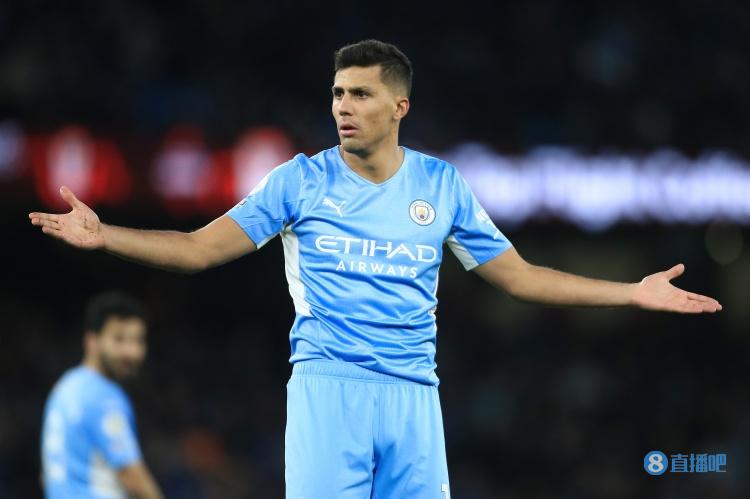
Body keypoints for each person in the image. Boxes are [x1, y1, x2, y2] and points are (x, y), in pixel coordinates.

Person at [30, 39, 721, 498]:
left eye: (360, 94)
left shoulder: (441, 185)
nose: (342, 107)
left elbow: (520, 277)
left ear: (399, 107)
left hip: (416, 397)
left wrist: (632, 292)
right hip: (329, 391)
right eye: (337, 93)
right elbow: (197, 249)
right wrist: (105, 235)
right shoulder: (299, 182)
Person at [40, 291, 163, 499]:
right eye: (119, 339)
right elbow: (132, 477)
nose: (131, 352)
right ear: (91, 341)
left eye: (138, 340)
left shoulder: (63, 387)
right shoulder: (104, 397)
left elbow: (45, 476)